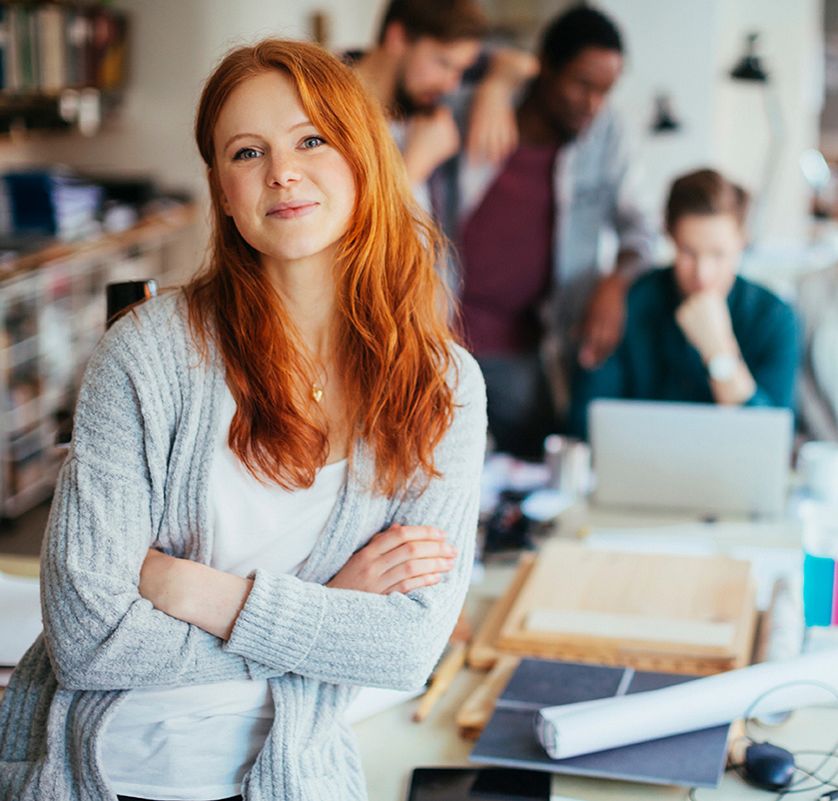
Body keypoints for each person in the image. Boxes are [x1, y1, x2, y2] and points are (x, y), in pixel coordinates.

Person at [0, 39, 486, 801]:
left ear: (363, 158)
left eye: (311, 140)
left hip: (296, 776)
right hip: (105, 773)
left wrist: (198, 591)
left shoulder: (443, 386)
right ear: (223, 191)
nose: (281, 172)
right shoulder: (147, 355)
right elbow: (89, 640)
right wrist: (333, 607)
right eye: (247, 151)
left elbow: (407, 648)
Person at [452, 4, 654, 458]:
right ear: (544, 67)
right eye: (582, 84)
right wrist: (498, 80)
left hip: (524, 349)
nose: (592, 104)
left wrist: (615, 283)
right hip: (439, 335)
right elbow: (434, 61)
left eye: (606, 90)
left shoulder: (607, 134)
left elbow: (642, 231)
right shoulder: (473, 107)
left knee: (536, 460)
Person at [568, 168, 799, 439]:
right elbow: (584, 423)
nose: (702, 274)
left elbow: (770, 440)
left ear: (741, 241)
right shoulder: (628, 304)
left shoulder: (775, 318)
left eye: (717, 254)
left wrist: (719, 354)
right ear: (670, 237)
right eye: (688, 252)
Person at [348, 0, 536, 211]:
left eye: (461, 70)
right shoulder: (324, 106)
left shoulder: (425, 100)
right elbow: (351, 230)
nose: (451, 84)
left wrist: (495, 89)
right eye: (444, 63)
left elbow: (522, 63)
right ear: (398, 38)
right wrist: (414, 166)